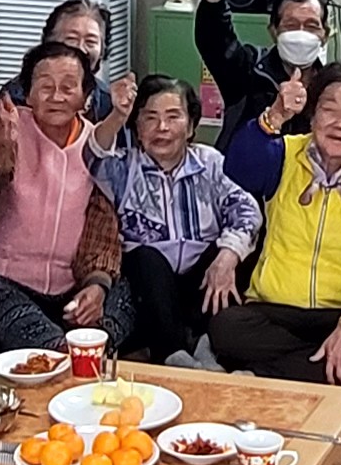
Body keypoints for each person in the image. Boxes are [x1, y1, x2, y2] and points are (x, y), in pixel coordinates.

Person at [214, 65, 341, 385]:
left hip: (339, 312)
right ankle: (332, 369)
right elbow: (239, 168)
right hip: (273, 308)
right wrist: (275, 116)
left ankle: (264, 373)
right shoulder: (285, 154)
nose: (340, 123)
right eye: (329, 110)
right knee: (226, 327)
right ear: (313, 115)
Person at [0, 41, 128, 356]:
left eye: (68, 87)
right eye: (45, 87)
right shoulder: (7, 126)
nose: (56, 96)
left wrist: (96, 286)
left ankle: (89, 345)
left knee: (124, 292)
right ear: (28, 93)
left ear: (86, 98)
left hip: (66, 286)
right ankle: (62, 352)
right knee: (12, 313)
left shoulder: (97, 144)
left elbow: (104, 226)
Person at [90, 77, 259, 369]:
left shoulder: (210, 163)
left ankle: (208, 346)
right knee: (145, 258)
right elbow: (92, 156)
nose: (162, 128)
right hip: (149, 288)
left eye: (173, 117)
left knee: (234, 249)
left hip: (202, 281)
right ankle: (173, 353)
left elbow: (247, 210)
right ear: (137, 126)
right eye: (150, 118)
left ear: (191, 126)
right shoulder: (124, 167)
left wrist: (228, 255)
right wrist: (117, 114)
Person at [194, 0, 332, 133]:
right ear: (274, 31)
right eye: (290, 25)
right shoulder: (250, 69)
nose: (301, 34)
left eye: (311, 26)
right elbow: (215, 42)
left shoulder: (331, 84)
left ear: (325, 34)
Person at [34, 0, 128, 125]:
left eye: (90, 41)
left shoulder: (108, 103)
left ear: (102, 51)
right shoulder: (17, 96)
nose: (81, 49)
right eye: (71, 39)